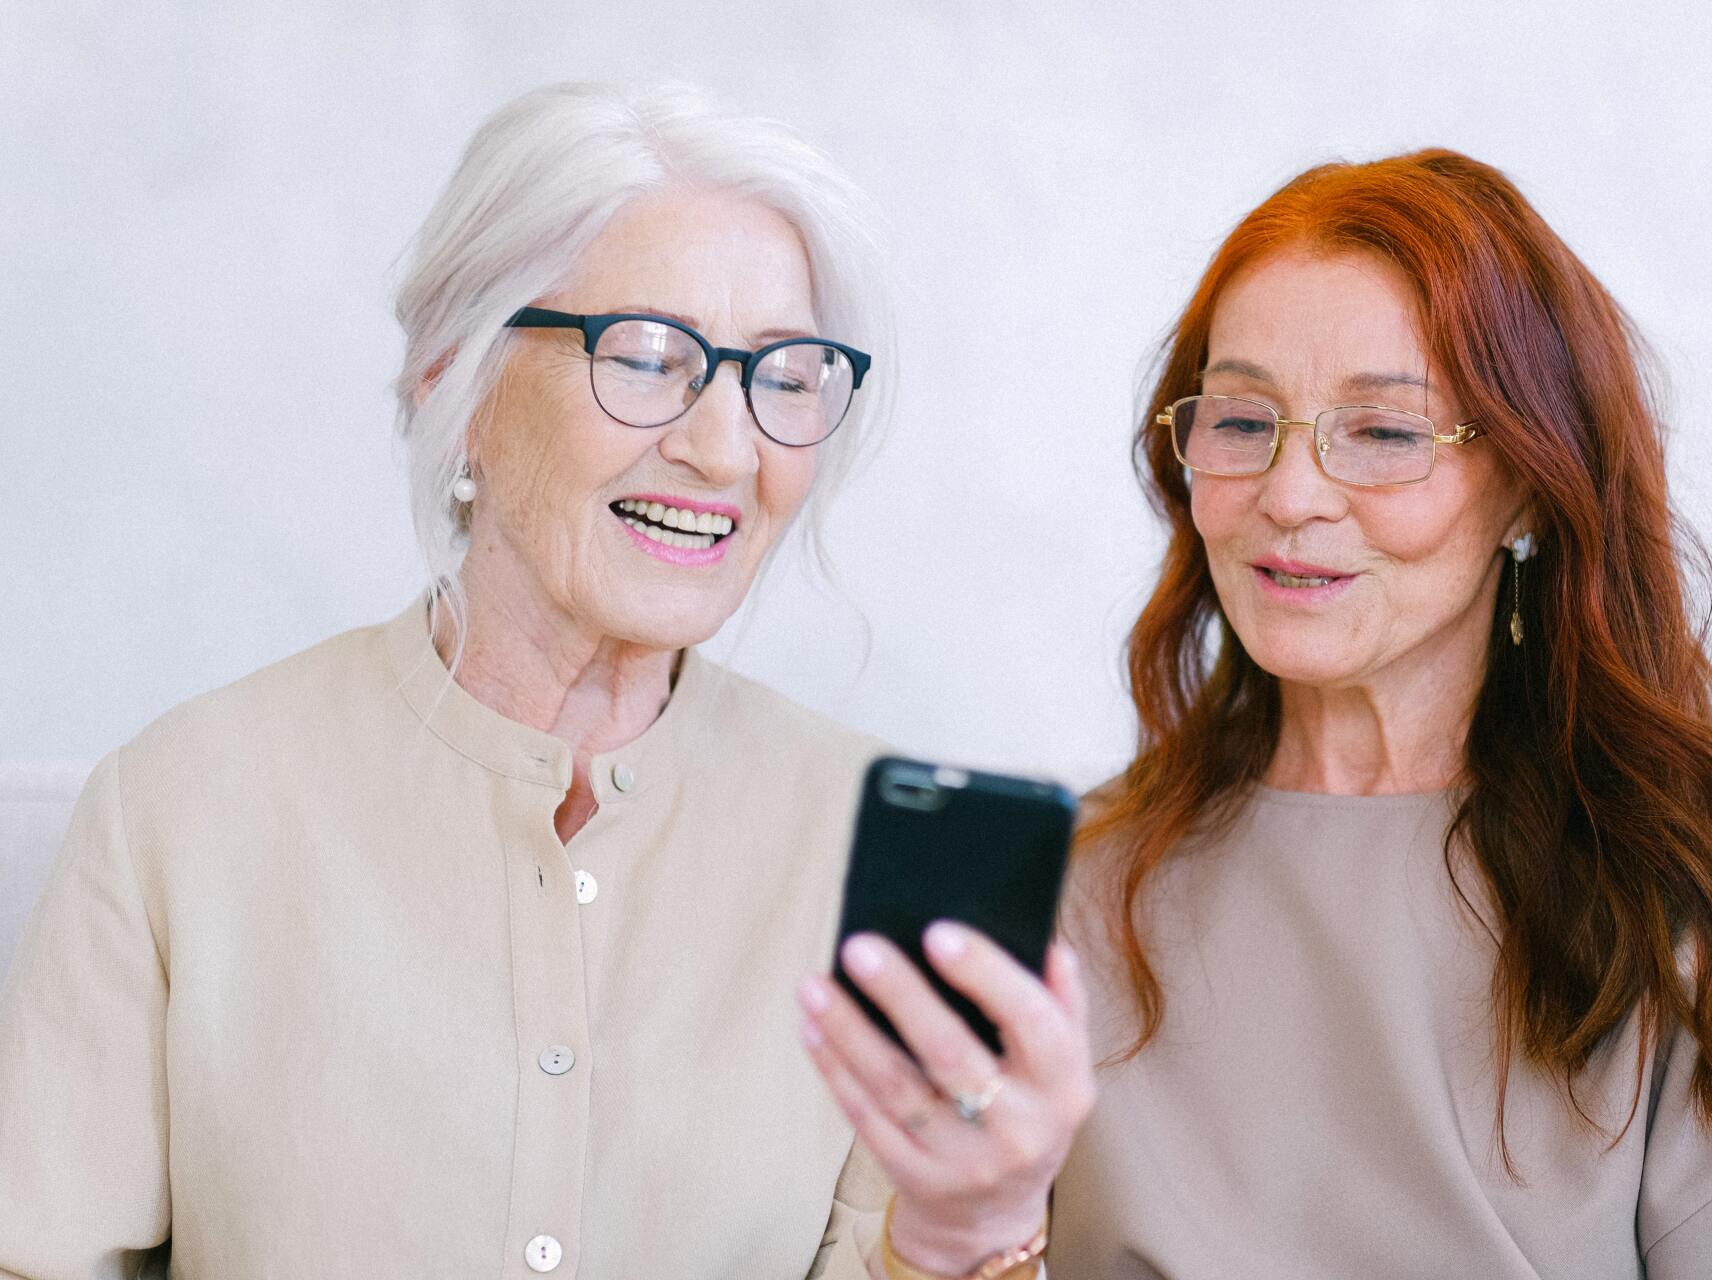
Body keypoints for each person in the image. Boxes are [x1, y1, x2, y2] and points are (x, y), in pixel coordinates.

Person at [0, 82, 1089, 1279]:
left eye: (783, 374)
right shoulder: (173, 807)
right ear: (451, 377)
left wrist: (961, 1235)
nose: (725, 449)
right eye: (647, 354)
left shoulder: (861, 842)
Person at [1048, 149, 1712, 1277]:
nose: (1290, 496)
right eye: (1242, 421)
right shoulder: (1069, 882)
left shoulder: (1675, 898)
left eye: (1386, 434)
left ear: (1533, 487)